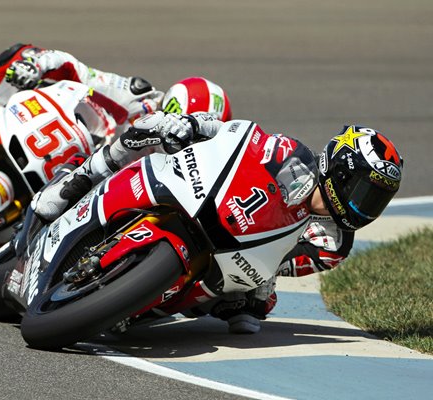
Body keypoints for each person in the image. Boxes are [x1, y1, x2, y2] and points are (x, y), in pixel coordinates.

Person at [29, 111, 403, 334]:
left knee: (250, 313)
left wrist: (258, 286)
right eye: (362, 192)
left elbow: (284, 265)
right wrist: (192, 125)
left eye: (376, 200)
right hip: (212, 202)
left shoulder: (336, 244)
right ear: (338, 170)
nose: (364, 206)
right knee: (154, 126)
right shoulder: (292, 155)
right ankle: (80, 179)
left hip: (241, 255)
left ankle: (136, 305)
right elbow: (240, 136)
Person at [0, 43, 231, 159]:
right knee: (18, 55)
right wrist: (36, 64)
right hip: (53, 143)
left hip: (82, 208)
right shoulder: (139, 99)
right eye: (176, 118)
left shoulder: (190, 174)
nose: (176, 133)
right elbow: (73, 68)